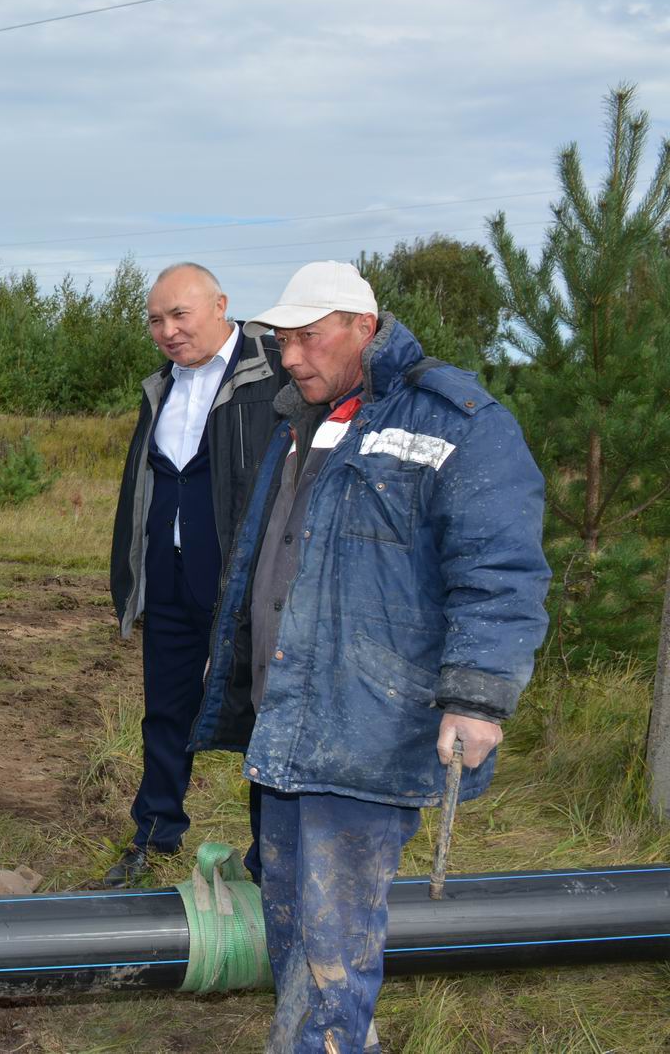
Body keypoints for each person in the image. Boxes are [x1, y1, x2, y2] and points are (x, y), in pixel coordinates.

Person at [190, 261, 550, 1052]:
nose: (289, 357)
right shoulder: (301, 419)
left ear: (364, 325)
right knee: (290, 920)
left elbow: (501, 569)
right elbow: (273, 557)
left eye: (308, 339)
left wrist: (479, 696)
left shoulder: (458, 421)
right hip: (289, 727)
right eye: (283, 340)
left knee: (332, 940)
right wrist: (237, 660)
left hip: (367, 730)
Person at [106, 262, 288, 885]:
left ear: (221, 306)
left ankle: (272, 856)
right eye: (156, 319)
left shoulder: (275, 376)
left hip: (248, 584)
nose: (168, 330)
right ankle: (155, 835)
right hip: (171, 576)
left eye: (180, 314)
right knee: (165, 711)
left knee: (262, 712)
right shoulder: (160, 386)